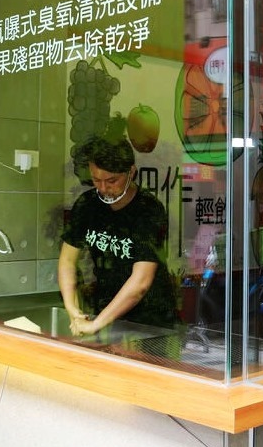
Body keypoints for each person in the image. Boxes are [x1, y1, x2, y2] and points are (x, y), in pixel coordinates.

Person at [58, 136, 177, 336]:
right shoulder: (87, 204)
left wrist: (96, 324)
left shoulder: (148, 210)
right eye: (96, 180)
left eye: (112, 181)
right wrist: (73, 310)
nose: (103, 188)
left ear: (131, 172)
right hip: (106, 313)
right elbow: (67, 261)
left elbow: (141, 281)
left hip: (149, 322)